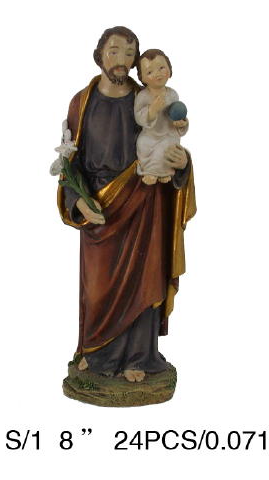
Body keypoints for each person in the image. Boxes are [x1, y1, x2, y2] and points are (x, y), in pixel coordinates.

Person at [56, 26, 196, 383]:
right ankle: (95, 354)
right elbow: (69, 163)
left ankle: (139, 358)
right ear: (99, 54)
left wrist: (182, 164)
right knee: (98, 287)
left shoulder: (146, 99)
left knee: (143, 283)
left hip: (144, 204)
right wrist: (78, 201)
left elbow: (168, 141)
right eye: (115, 51)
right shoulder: (82, 102)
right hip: (100, 209)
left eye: (130, 53)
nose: (121, 60)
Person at [135, 49, 189, 185]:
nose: (157, 74)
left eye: (161, 68)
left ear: (169, 70)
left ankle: (164, 172)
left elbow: (177, 115)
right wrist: (151, 111)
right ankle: (150, 171)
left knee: (168, 148)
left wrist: (181, 123)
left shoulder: (172, 94)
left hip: (168, 134)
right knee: (143, 144)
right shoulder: (143, 96)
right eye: (149, 72)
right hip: (150, 134)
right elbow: (138, 117)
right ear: (142, 78)